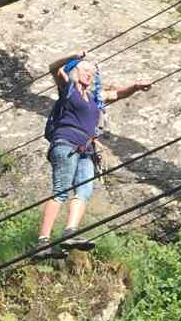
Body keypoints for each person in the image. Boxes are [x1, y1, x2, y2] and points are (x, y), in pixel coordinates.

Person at [35, 56, 151, 258]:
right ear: (75, 73)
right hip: (66, 144)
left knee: (84, 191)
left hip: (86, 151)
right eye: (85, 71)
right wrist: (73, 56)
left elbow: (118, 94)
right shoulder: (68, 89)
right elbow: (53, 67)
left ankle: (70, 232)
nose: (89, 74)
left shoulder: (95, 98)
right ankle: (43, 241)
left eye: (92, 73)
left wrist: (136, 86)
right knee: (61, 191)